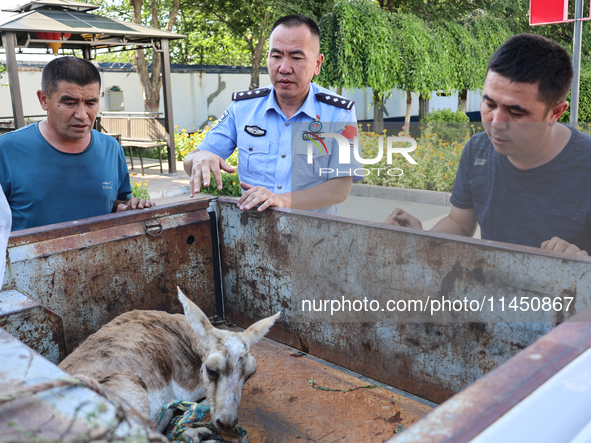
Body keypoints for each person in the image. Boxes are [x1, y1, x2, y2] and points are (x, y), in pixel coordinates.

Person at [386, 34, 591, 257]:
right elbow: (460, 223)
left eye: (516, 112)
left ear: (555, 112)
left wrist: (581, 267)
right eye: (489, 104)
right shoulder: (477, 150)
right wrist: (423, 238)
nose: (496, 123)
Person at [183, 14, 362, 215]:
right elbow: (191, 161)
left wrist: (281, 200)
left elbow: (340, 188)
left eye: (296, 57)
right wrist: (201, 158)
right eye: (276, 56)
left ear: (317, 64)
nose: (284, 68)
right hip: (254, 235)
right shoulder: (243, 108)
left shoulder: (340, 113)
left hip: (314, 238)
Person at [0, 56, 153, 231]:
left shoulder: (111, 148)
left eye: (91, 103)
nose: (82, 114)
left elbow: (118, 203)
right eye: (70, 103)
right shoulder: (6, 150)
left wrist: (131, 207)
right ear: (43, 100)